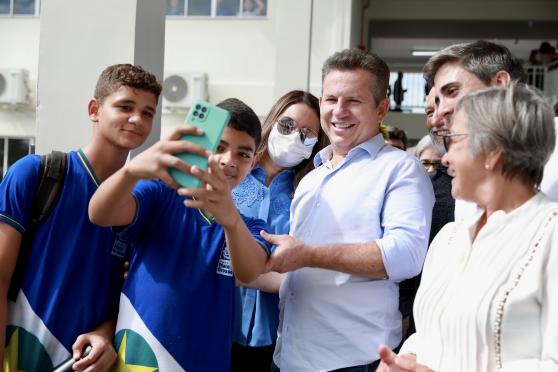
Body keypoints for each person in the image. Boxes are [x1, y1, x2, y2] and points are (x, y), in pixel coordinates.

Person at [263, 48, 434, 371]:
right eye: (330, 99)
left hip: (352, 361)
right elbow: (295, 272)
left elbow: (407, 255)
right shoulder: (312, 177)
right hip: (289, 357)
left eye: (353, 101)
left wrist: (309, 254)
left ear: (382, 108)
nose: (338, 111)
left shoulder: (400, 169)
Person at [378, 83, 558, 372]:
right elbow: (428, 333)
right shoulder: (449, 239)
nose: (445, 158)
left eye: (454, 141)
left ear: (492, 152)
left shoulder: (550, 236)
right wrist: (402, 362)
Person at [88, 98, 272, 371]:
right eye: (219, 147)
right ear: (199, 148)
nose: (228, 160)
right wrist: (131, 170)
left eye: (243, 154)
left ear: (254, 161)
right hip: (138, 357)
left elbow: (249, 272)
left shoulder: (248, 226)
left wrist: (231, 220)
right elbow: (100, 213)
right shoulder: (160, 194)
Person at [0, 64, 161, 370]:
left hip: (82, 362)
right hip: (18, 355)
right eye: (125, 107)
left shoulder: (142, 203)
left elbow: (133, 293)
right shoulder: (36, 174)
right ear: (94, 110)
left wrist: (105, 333)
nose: (137, 119)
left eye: (148, 113)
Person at [230, 90, 328, 371]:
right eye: (287, 125)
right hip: (216, 318)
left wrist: (243, 273)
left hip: (277, 334)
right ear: (273, 121)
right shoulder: (232, 173)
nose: (294, 136)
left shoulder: (311, 192)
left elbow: (300, 271)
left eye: (306, 133)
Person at [424, 40, 558, 219]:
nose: (440, 111)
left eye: (452, 91)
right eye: (438, 100)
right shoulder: (466, 167)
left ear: (500, 83)